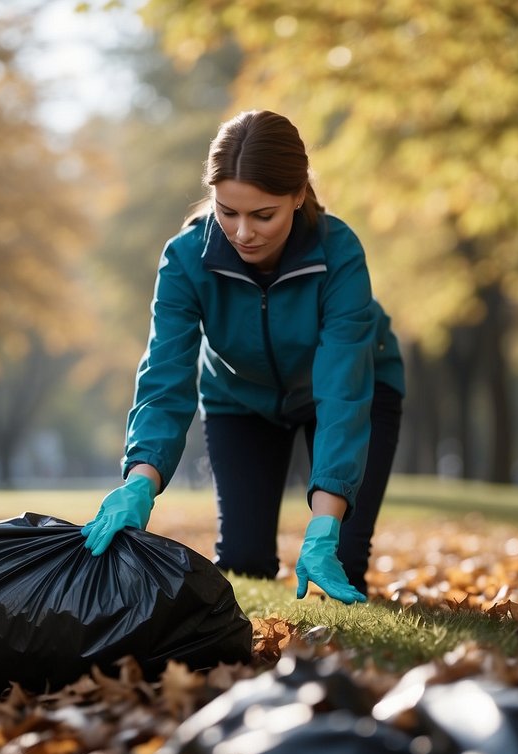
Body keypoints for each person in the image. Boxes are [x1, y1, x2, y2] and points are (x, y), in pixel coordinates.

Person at [80, 110, 404, 605]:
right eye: (227, 211)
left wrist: (323, 522)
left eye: (263, 215)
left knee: (343, 564)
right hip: (240, 398)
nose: (243, 232)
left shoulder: (339, 252)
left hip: (355, 389)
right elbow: (165, 374)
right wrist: (141, 479)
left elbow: (342, 387)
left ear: (297, 196)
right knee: (245, 561)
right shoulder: (187, 259)